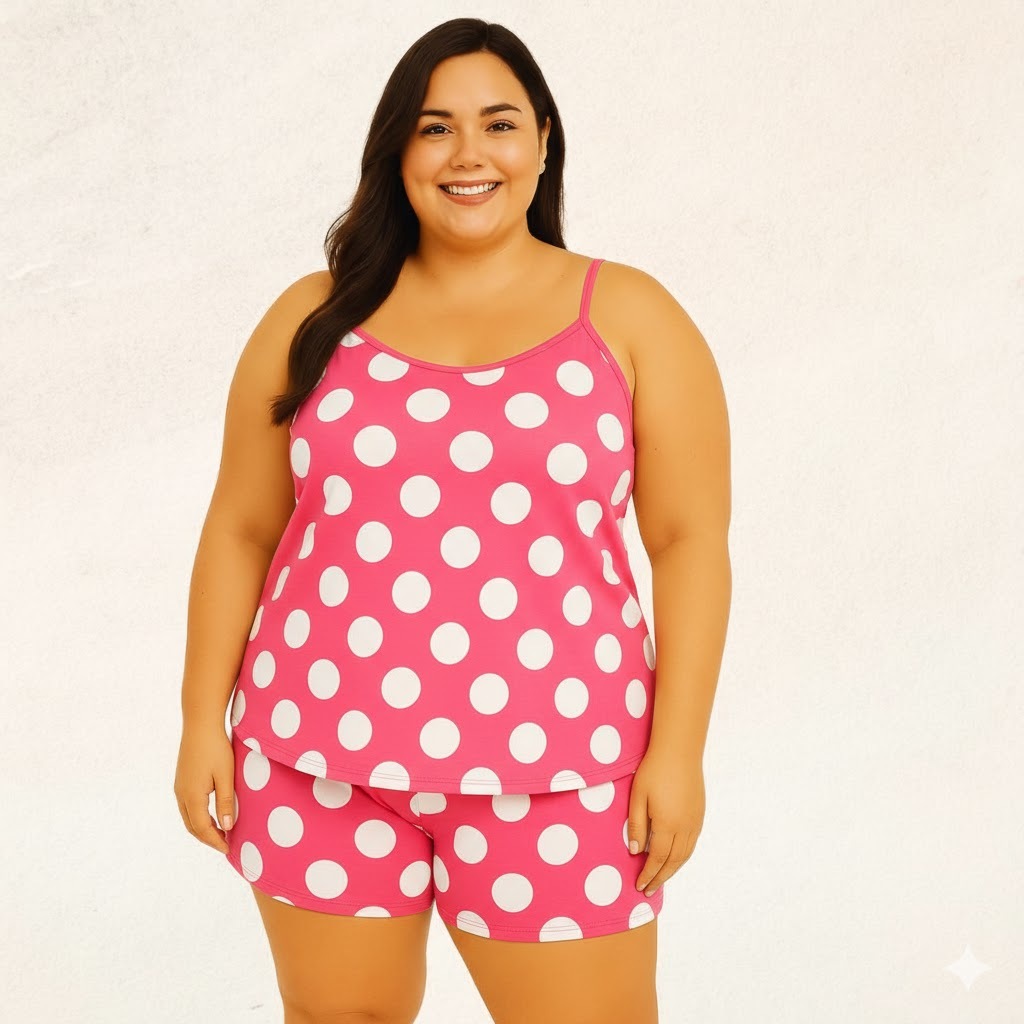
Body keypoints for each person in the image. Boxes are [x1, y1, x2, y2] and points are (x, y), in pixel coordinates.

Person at [174, 16, 731, 1024]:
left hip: (563, 769)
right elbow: (241, 528)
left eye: (499, 124)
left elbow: (688, 542)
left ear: (544, 142)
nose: (468, 154)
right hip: (315, 758)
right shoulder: (314, 317)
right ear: (397, 150)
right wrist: (198, 722)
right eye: (435, 128)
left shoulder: (630, 316)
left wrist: (679, 751)